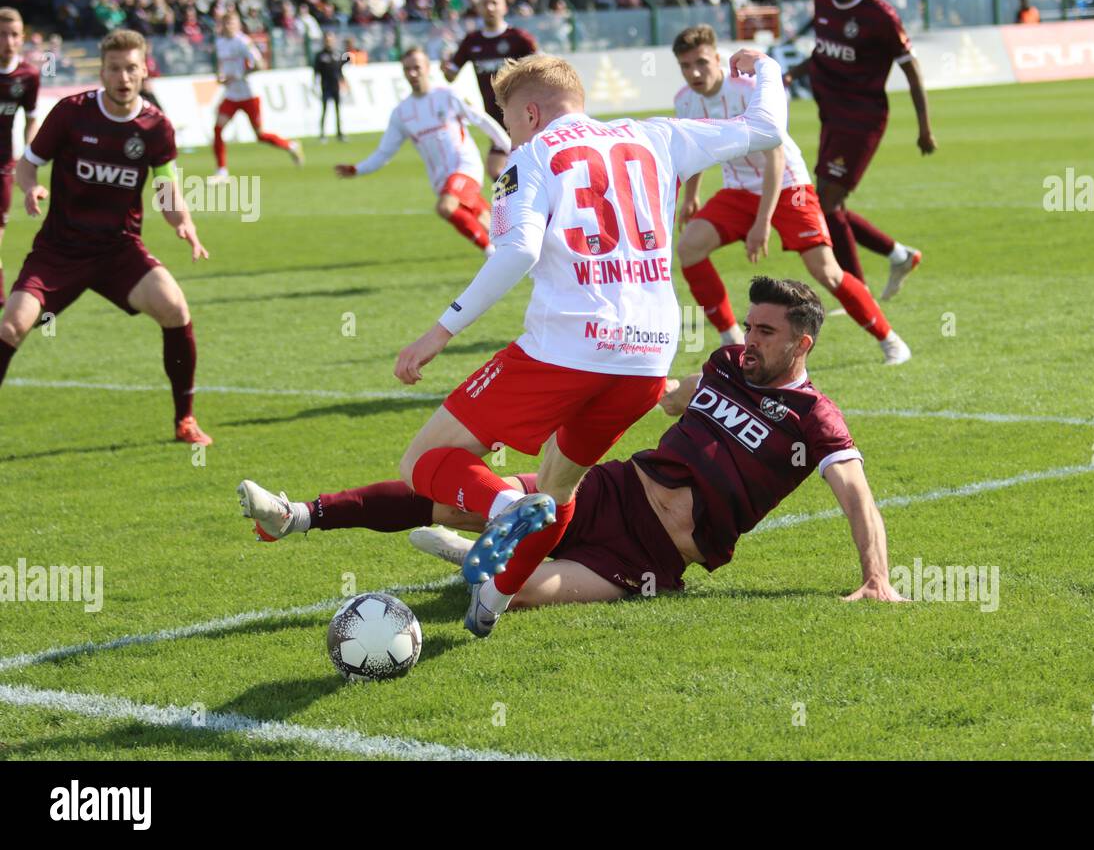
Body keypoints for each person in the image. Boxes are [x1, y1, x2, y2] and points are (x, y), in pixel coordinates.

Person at [245, 48, 788, 639]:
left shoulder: (529, 158)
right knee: (559, 487)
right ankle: (495, 599)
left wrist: (439, 331)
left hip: (564, 349)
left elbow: (518, 252)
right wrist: (763, 67)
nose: (507, 132)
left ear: (529, 113)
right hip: (648, 359)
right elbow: (765, 130)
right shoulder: (657, 135)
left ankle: (503, 509)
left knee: (423, 463)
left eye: (505, 119)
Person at [237, 278, 906, 607]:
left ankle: (479, 555)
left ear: (801, 343)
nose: (749, 340)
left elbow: (857, 499)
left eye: (765, 332)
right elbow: (669, 396)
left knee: (524, 590)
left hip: (650, 559)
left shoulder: (816, 419)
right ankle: (296, 516)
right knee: (438, 493)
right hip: (608, 491)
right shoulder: (726, 366)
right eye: (750, 326)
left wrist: (875, 579)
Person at [0, 29, 212, 445]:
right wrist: (30, 187)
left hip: (119, 251)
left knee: (174, 308)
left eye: (132, 68)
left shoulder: (155, 126)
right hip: (60, 251)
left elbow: (167, 186)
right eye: (114, 68)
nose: (123, 77)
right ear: (102, 70)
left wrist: (182, 223)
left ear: (143, 69)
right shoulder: (71, 113)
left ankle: (184, 420)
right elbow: (27, 164)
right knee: (11, 326)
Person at [672, 25, 909, 364]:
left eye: (702, 62)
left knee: (825, 269)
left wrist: (761, 223)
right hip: (738, 189)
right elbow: (694, 148)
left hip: (788, 186)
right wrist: (691, 197)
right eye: (685, 65)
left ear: (717, 58)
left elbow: (776, 157)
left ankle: (889, 339)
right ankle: (732, 339)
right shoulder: (685, 100)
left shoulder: (751, 89)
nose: (694, 72)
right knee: (689, 248)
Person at [783, 0, 933, 301]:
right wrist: (791, 74)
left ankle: (857, 291)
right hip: (830, 116)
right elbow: (822, 54)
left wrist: (924, 129)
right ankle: (899, 255)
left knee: (828, 204)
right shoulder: (822, 2)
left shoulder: (879, 15)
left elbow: (911, 71)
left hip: (862, 120)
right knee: (831, 204)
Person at [333, 47, 509, 255]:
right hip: (440, 180)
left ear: (427, 68)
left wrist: (510, 148)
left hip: (465, 167)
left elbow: (482, 121)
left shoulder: (448, 95)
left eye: (417, 67)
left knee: (445, 207)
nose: (413, 73)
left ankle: (490, 254)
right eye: (407, 69)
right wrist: (357, 169)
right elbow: (384, 153)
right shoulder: (401, 113)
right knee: (490, 224)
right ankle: (518, 251)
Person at [444, 0, 538, 182]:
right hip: (494, 119)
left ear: (504, 6)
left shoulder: (518, 39)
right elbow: (451, 74)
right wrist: (445, 67)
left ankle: (516, 207)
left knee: (501, 168)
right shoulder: (472, 41)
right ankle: (517, 207)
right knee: (502, 172)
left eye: (494, 2)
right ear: (478, 8)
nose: (490, 7)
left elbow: (541, 68)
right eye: (485, 3)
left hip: (521, 115)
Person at [210, 11, 303, 180]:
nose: (229, 26)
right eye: (226, 23)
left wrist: (239, 74)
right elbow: (221, 64)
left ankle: (291, 145)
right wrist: (220, 75)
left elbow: (260, 64)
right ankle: (222, 171)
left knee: (260, 135)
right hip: (231, 94)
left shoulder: (243, 42)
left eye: (232, 23)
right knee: (217, 129)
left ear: (238, 25)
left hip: (249, 94)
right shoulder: (220, 42)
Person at [0, 7, 40, 308]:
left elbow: (32, 118)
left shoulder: (28, 76)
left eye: (14, 35)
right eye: (2, 35)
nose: (9, 41)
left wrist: (29, 155)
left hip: (3, 166)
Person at [313, 32, 348, 143]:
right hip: (325, 86)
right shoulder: (320, 55)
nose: (329, 42)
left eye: (331, 40)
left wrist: (344, 81)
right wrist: (315, 84)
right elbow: (316, 72)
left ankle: (339, 133)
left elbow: (340, 70)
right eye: (327, 40)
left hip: (335, 86)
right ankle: (322, 134)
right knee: (324, 110)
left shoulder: (337, 54)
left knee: (338, 111)